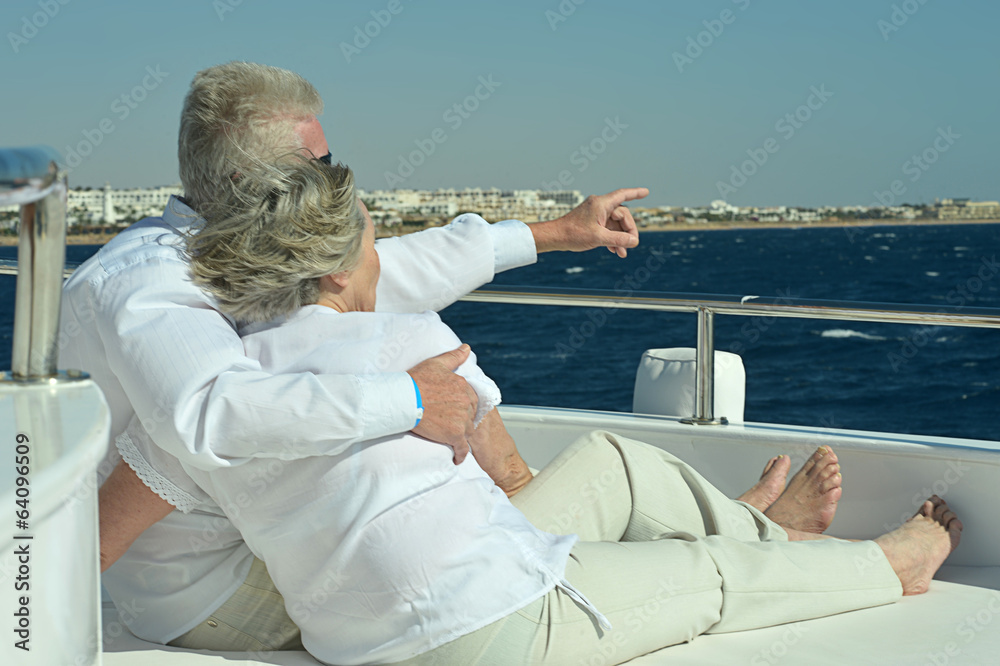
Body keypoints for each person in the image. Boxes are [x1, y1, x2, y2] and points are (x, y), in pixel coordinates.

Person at [109, 157, 963, 665]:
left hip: (362, 641)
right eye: (374, 242)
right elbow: (482, 437)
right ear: (335, 272)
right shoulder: (414, 347)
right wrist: (410, 397)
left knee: (611, 462)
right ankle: (891, 562)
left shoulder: (229, 384)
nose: (384, 258)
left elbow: (135, 492)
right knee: (711, 576)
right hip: (483, 633)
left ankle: (762, 529)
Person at [60, 60, 644, 643]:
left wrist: (560, 233)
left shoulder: (243, 243)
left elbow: (379, 266)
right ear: (244, 182)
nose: (337, 177)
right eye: (320, 165)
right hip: (213, 584)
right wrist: (411, 398)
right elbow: (211, 412)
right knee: (505, 547)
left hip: (269, 531)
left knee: (518, 519)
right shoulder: (148, 281)